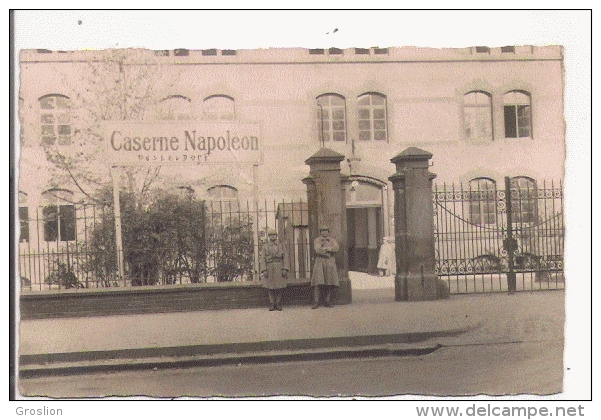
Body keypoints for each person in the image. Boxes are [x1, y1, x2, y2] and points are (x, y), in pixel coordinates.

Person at [260, 229, 289, 311]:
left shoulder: (281, 245)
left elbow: (285, 258)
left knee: (279, 286)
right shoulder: (265, 246)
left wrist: (285, 269)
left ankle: (278, 303)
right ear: (268, 237)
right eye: (271, 235)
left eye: (274, 235)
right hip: (269, 268)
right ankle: (272, 303)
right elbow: (262, 259)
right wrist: (264, 270)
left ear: (276, 236)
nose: (273, 237)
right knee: (270, 287)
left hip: (279, 267)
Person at [311, 225, 339, 308]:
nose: (324, 232)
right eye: (322, 231)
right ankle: (316, 302)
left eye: (326, 230)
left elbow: (336, 248)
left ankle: (327, 300)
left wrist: (327, 249)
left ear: (328, 232)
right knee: (318, 281)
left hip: (330, 262)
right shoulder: (317, 240)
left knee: (330, 281)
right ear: (320, 232)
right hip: (319, 261)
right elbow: (317, 250)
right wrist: (329, 251)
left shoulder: (332, 240)